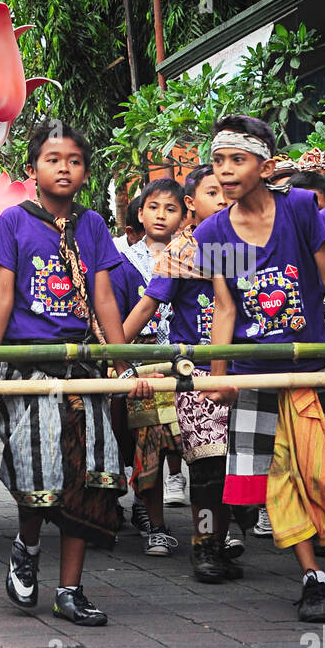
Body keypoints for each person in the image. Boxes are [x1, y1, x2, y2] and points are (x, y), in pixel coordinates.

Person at [0, 121, 149, 625]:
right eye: (53, 159)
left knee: (93, 478)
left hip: (83, 365)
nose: (64, 167)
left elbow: (104, 298)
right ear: (32, 170)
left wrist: (120, 363)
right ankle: (27, 547)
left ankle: (69, 588)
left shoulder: (92, 225)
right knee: (40, 472)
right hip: (30, 366)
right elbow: (1, 297)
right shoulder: (14, 222)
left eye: (73, 160)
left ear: (85, 172)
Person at [196, 114, 325, 623]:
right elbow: (226, 308)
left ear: (267, 165)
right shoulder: (213, 229)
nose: (227, 171)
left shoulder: (301, 208)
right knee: (281, 478)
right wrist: (219, 376)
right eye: (218, 161)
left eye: (238, 159)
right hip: (256, 372)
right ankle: (312, 577)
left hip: (314, 368)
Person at [123, 164, 245, 583]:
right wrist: (114, 353)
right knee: (209, 467)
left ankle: (224, 539)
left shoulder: (247, 243)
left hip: (244, 371)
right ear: (192, 204)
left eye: (230, 192)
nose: (225, 199)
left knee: (238, 465)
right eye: (214, 192)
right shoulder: (181, 250)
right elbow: (147, 305)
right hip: (197, 374)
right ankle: (205, 547)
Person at [124, 178, 188, 542]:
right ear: (141, 213)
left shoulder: (196, 252)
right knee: (149, 441)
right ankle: (154, 521)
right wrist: (115, 355)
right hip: (142, 363)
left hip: (185, 359)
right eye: (153, 207)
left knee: (192, 443)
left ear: (184, 214)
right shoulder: (123, 259)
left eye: (171, 208)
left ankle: (216, 529)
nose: (161, 215)